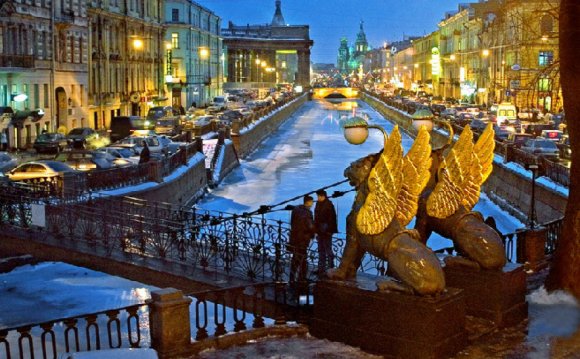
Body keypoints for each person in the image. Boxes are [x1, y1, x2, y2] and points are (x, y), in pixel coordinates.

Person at [289, 195, 315, 287]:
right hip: (303, 239)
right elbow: (310, 226)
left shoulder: (296, 209)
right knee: (303, 259)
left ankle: (292, 278)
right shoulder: (308, 213)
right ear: (308, 202)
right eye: (312, 202)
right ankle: (301, 278)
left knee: (295, 258)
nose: (312, 204)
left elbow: (292, 223)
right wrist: (314, 233)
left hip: (294, 238)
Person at [314, 189, 338, 275]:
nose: (317, 198)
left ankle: (330, 269)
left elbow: (332, 219)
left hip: (326, 231)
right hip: (319, 231)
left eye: (319, 196)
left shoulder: (329, 205)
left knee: (328, 250)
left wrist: (330, 231)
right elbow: (316, 218)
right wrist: (315, 229)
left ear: (323, 196)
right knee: (321, 250)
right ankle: (321, 268)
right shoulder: (318, 204)